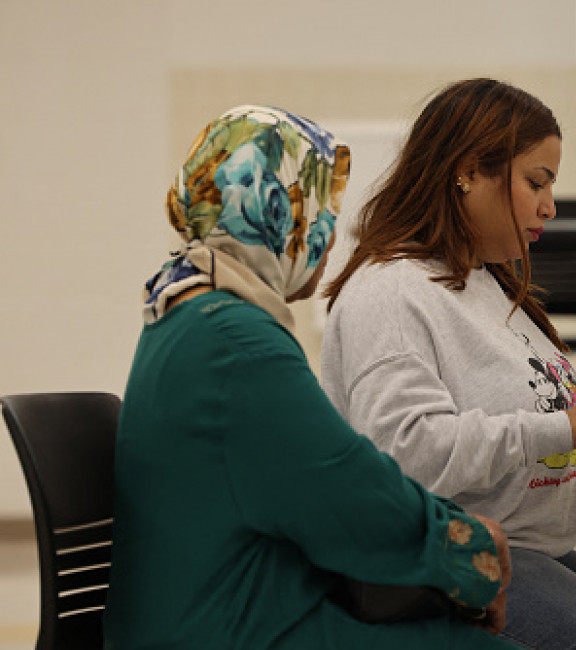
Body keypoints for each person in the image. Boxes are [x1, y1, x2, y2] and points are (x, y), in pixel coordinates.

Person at [104, 105, 517, 650]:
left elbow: (333, 472)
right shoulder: (235, 342)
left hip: (217, 607)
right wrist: (471, 552)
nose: (329, 234)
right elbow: (348, 494)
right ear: (277, 216)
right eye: (321, 211)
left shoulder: (185, 310)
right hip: (231, 626)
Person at [321, 79, 576, 649]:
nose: (550, 205)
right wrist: (567, 425)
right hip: (436, 562)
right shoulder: (393, 293)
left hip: (521, 548)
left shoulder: (480, 280)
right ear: (469, 171)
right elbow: (405, 456)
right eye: (536, 182)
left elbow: (510, 404)